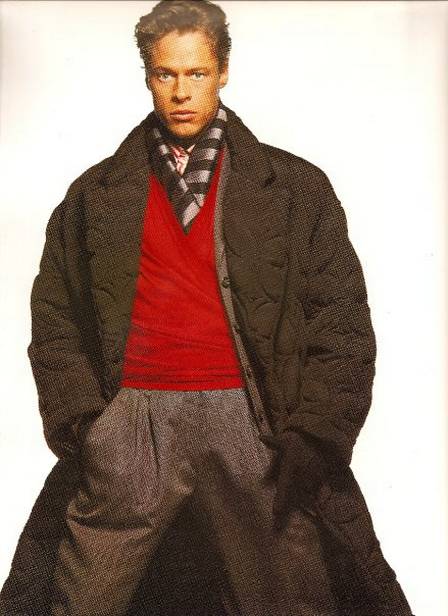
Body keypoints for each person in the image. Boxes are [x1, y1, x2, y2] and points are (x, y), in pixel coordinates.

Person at [1, 1, 415, 615]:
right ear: (148, 76)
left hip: (252, 421)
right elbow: (56, 320)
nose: (181, 92)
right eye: (166, 74)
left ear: (222, 71)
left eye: (196, 73)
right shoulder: (95, 194)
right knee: (79, 600)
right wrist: (88, 428)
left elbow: (341, 321)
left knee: (292, 599)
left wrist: (314, 437)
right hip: (134, 421)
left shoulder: (296, 188)